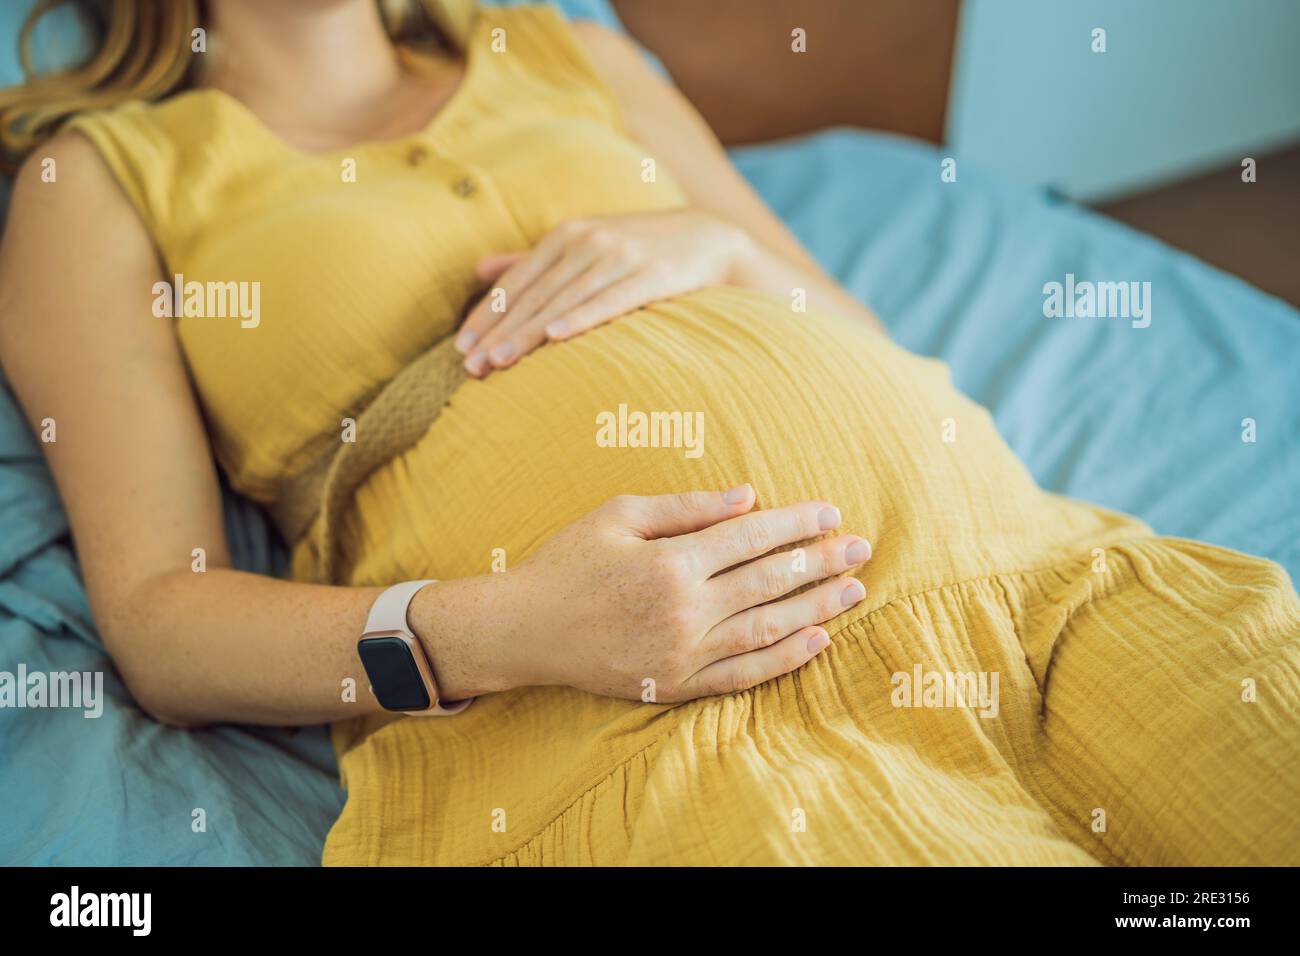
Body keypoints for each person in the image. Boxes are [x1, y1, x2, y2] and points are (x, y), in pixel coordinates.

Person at [1, 0, 1297, 866]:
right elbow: (164, 619)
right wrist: (506, 630)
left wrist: (716, 244)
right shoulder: (103, 175)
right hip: (652, 731)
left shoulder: (562, 48)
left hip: (1034, 580)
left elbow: (854, 323)